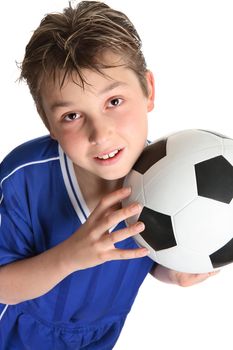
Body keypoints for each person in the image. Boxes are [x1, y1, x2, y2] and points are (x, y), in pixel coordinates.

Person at [0, 1, 217, 349]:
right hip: (17, 333)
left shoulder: (171, 178)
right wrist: (69, 256)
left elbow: (144, 255)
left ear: (148, 90)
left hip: (99, 336)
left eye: (114, 101)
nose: (100, 134)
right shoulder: (22, 180)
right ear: (48, 123)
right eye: (71, 115)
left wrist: (173, 271)